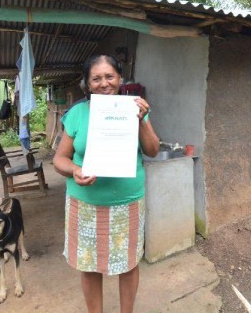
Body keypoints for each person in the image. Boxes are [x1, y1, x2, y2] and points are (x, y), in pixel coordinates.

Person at [53, 54, 159, 313]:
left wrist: (141, 121)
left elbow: (153, 150)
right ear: (87, 84)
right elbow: (59, 159)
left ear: (120, 79)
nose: (104, 83)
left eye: (109, 76)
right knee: (89, 266)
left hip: (127, 202)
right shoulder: (77, 113)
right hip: (85, 204)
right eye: (96, 78)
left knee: (129, 263)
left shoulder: (135, 109)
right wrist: (75, 170)